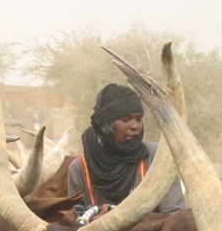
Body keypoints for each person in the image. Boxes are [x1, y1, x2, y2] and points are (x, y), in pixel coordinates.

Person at [67, 83, 185, 223]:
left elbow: (175, 219)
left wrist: (118, 223)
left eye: (139, 119)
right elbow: (74, 225)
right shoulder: (80, 168)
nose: (135, 126)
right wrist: (93, 223)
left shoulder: (156, 157)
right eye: (126, 119)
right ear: (106, 124)